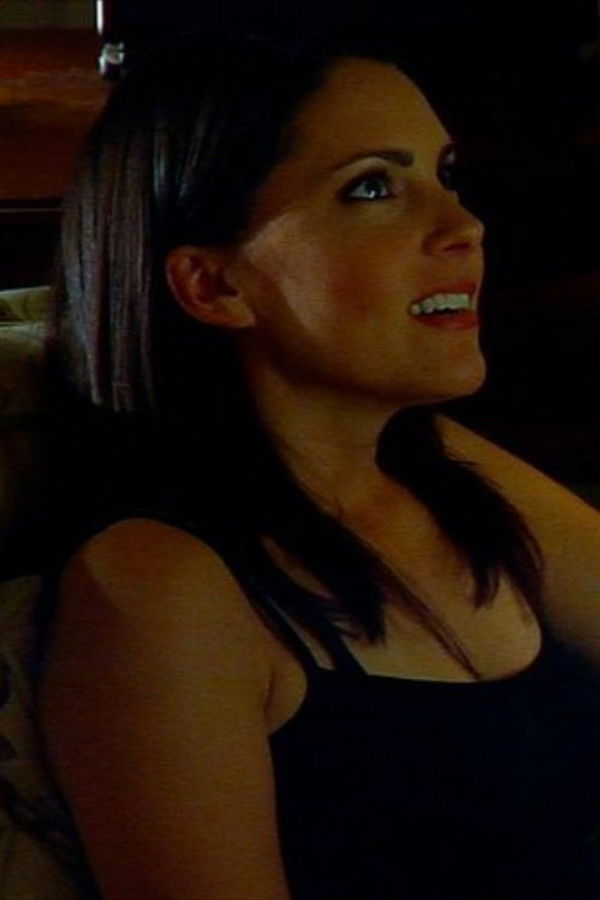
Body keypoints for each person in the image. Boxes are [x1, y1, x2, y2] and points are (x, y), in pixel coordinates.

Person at [36, 26, 600, 900]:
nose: (464, 226)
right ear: (214, 285)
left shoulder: (438, 476)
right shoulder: (159, 586)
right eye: (373, 188)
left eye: (445, 176)